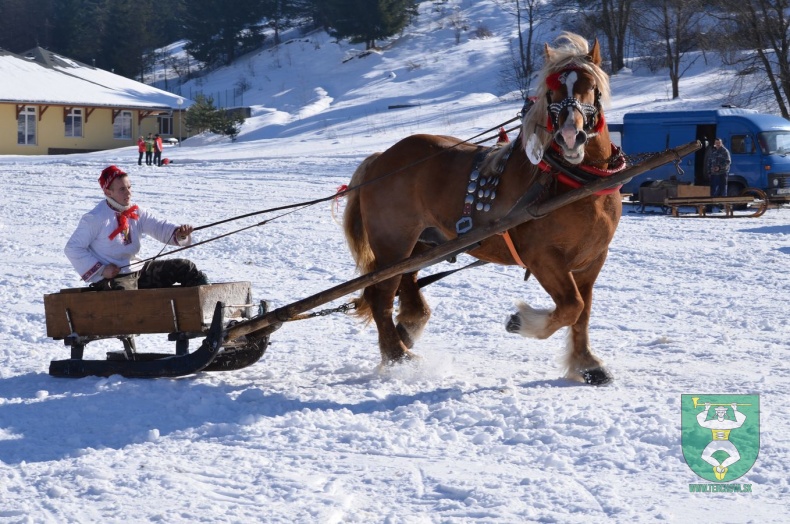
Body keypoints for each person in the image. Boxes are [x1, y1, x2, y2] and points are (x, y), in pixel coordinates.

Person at [65, 165, 209, 291]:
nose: (128, 193)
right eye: (122, 189)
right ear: (109, 192)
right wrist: (102, 270)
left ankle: (203, 312)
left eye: (129, 187)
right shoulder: (95, 218)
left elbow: (158, 226)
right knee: (128, 298)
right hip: (115, 278)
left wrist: (179, 233)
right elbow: (73, 248)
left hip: (138, 270)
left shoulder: (136, 211)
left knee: (185, 267)